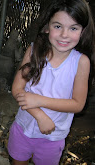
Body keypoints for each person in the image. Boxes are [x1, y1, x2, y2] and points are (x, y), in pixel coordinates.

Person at [7, 0, 95, 164]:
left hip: (53, 137)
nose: (64, 34)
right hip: (22, 128)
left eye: (73, 28)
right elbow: (17, 88)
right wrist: (39, 115)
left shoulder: (81, 62)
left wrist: (39, 100)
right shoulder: (33, 51)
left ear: (83, 31)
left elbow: (77, 104)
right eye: (58, 26)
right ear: (47, 27)